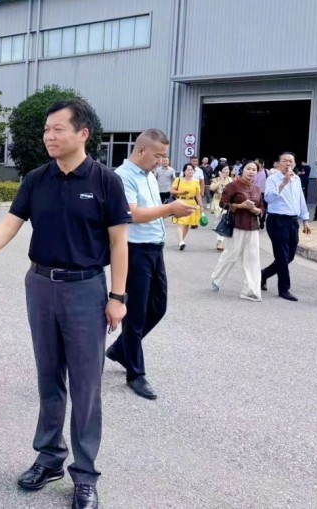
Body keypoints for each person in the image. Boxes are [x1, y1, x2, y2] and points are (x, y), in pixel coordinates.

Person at [0, 99, 131, 509]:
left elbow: (119, 243)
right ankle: (49, 457)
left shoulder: (106, 181)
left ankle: (85, 473)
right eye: (46, 129)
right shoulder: (36, 179)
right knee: (48, 376)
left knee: (86, 384)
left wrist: (118, 297)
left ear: (82, 134)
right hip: (40, 284)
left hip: (86, 289)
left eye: (58, 129)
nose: (49, 136)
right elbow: (10, 225)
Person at [107, 129, 197, 401]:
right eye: (158, 155)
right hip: (135, 250)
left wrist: (169, 209)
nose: (161, 161)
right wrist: (170, 209)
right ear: (142, 150)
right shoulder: (123, 176)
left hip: (154, 249)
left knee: (158, 307)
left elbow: (150, 210)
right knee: (135, 315)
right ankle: (135, 373)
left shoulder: (148, 175)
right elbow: (132, 214)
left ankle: (120, 349)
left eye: (164, 156)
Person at [260, 152, 312, 301]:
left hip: (292, 221)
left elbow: (300, 199)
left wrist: (305, 219)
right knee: (282, 255)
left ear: (294, 163)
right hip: (277, 220)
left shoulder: (296, 179)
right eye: (285, 161)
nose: (288, 164)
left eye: (291, 161)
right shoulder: (272, 179)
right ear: (278, 163)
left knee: (290, 256)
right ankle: (284, 289)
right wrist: (283, 183)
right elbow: (268, 198)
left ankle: (263, 275)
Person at [210, 161, 264, 301]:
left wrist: (257, 210)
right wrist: (240, 206)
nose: (251, 171)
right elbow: (223, 203)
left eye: (254, 169)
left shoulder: (257, 188)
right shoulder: (233, 185)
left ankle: (251, 291)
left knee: (253, 259)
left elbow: (262, 206)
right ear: (242, 170)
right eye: (248, 169)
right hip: (237, 226)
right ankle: (216, 278)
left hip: (253, 228)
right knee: (231, 255)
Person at [170, 163, 203, 250]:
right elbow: (172, 191)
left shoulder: (196, 181)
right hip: (180, 202)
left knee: (187, 224)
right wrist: (180, 193)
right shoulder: (178, 180)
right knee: (180, 222)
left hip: (191, 203)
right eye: (188, 170)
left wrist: (201, 206)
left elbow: (198, 195)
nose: (190, 171)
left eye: (192, 170)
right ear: (184, 171)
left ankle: (181, 241)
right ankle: (181, 241)